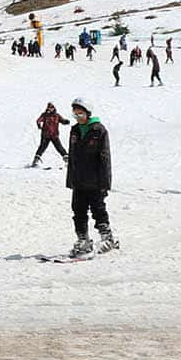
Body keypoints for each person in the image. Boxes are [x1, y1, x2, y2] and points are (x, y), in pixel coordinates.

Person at [64, 99, 116, 257]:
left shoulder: (98, 130)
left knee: (98, 209)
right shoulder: (75, 130)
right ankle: (83, 240)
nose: (77, 116)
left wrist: (105, 183)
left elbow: (105, 158)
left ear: (87, 113)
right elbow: (72, 156)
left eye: (80, 113)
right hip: (78, 180)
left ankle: (108, 238)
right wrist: (70, 179)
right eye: (75, 113)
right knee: (78, 211)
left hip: (95, 180)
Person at [31, 103, 66, 168]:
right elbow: (38, 120)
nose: (50, 109)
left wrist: (66, 122)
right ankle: (35, 161)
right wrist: (39, 125)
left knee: (59, 147)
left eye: (52, 107)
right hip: (45, 135)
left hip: (54, 135)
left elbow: (62, 120)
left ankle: (67, 160)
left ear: (54, 108)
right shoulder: (44, 115)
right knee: (42, 148)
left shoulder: (56, 115)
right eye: (49, 107)